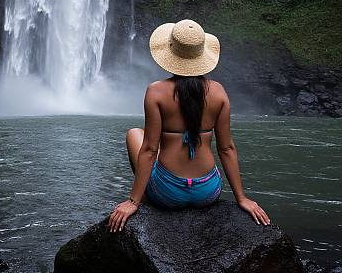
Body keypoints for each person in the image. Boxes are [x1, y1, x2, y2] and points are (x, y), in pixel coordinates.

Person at [107, 19, 270, 232]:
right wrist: (242, 198)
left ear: (170, 53)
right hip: (207, 191)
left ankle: (145, 196)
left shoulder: (156, 92)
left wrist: (133, 202)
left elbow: (149, 149)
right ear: (201, 55)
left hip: (166, 192)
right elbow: (226, 148)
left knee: (134, 134)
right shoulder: (218, 92)